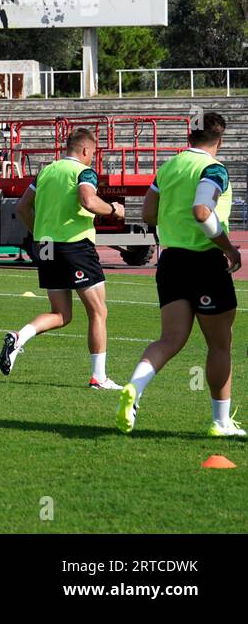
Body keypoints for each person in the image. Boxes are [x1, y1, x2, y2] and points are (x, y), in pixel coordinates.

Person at [117, 113, 244, 437]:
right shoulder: (213, 168)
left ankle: (135, 386)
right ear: (219, 139)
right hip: (204, 261)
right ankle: (220, 422)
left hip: (171, 261)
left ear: (190, 135)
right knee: (219, 344)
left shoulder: (169, 167)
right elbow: (202, 211)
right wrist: (228, 248)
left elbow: (147, 213)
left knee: (170, 339)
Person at [0, 127, 122, 389]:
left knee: (61, 314)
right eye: (94, 152)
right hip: (74, 247)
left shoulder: (46, 171)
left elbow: (21, 208)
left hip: (45, 247)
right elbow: (88, 201)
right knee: (98, 311)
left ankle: (18, 338)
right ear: (86, 150)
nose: (93, 158)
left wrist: (41, 233)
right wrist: (113, 209)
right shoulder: (83, 172)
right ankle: (98, 378)